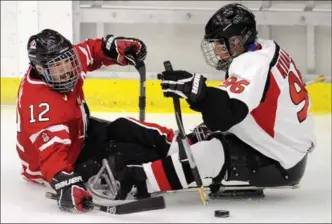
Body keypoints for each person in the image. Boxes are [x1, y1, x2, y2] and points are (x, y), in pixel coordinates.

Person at [107, 3, 316, 201]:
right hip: (285, 143)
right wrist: (202, 101)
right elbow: (239, 107)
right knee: (192, 140)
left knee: (208, 154)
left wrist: (200, 93)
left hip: (281, 158)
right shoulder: (267, 48)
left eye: (219, 43)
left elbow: (226, 115)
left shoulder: (252, 63)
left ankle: (140, 180)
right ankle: (169, 152)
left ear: (235, 41)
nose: (215, 50)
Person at [16, 28, 181, 213]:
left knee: (124, 127)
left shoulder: (59, 64)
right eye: (58, 67)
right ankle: (167, 171)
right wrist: (65, 183)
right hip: (62, 161)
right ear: (40, 69)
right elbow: (51, 157)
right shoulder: (41, 105)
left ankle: (180, 146)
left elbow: (89, 51)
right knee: (127, 154)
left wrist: (112, 49)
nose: (67, 71)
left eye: (67, 62)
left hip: (78, 133)